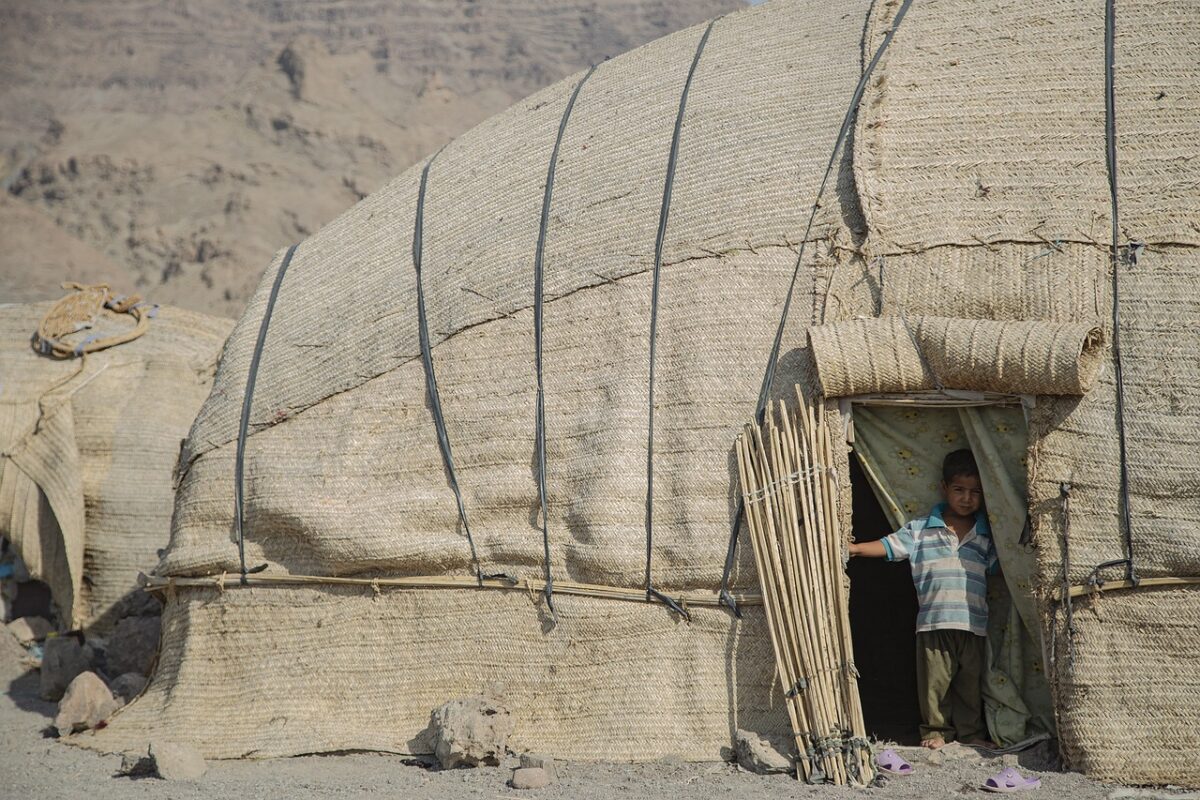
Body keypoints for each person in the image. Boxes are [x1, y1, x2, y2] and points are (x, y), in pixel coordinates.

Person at [849, 448, 997, 750]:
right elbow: (889, 547)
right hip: (933, 622)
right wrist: (853, 549)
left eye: (975, 492)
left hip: (974, 624)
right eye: (959, 490)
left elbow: (1004, 566)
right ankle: (935, 732)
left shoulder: (986, 535)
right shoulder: (920, 529)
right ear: (944, 488)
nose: (967, 498)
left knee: (970, 684)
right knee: (935, 684)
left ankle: (970, 733)